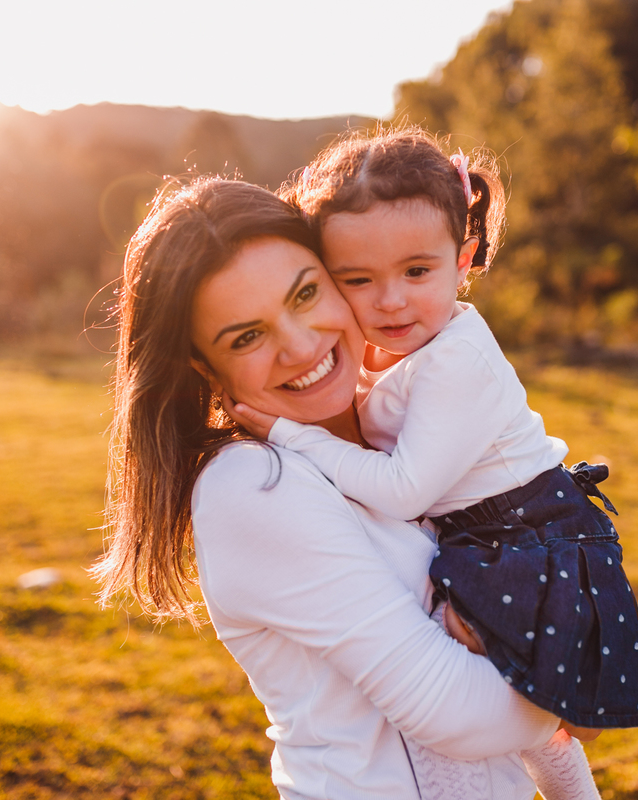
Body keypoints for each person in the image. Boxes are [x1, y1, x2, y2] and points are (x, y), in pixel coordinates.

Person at [90, 177, 597, 800]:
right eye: (246, 336)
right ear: (204, 366)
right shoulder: (252, 486)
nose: (300, 346)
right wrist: (575, 689)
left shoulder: (400, 428)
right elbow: (453, 709)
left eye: (306, 294)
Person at [229, 130, 638, 744]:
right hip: (491, 531)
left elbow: (401, 491)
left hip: (525, 540)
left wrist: (296, 435)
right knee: (537, 719)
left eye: (417, 270)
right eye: (358, 280)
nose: (391, 300)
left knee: (533, 711)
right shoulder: (405, 345)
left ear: (464, 256)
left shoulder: (457, 360)